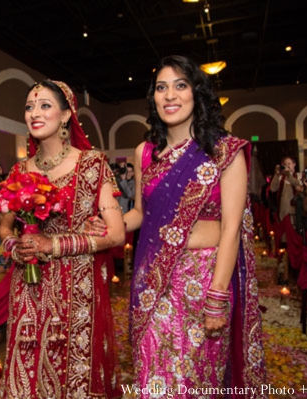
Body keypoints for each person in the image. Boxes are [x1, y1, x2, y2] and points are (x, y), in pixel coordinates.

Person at [89, 56, 266, 395]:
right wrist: (111, 224)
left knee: (197, 382)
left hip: (204, 281)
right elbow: (140, 212)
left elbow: (232, 229)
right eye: (161, 87)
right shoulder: (145, 153)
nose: (170, 95)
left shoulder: (224, 151)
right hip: (154, 281)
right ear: (153, 99)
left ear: (197, 94)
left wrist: (217, 295)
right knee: (155, 379)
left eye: (180, 85)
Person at [0, 80, 124, 398]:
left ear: (67, 115)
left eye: (44, 106)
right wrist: (18, 249)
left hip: (77, 287)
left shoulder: (92, 165)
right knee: (27, 369)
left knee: (72, 374)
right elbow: (3, 230)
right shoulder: (18, 171)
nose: (34, 114)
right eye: (29, 107)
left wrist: (53, 244)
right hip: (29, 288)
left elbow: (116, 232)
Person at [269, 155, 303, 225]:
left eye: (289, 164)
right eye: (285, 164)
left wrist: (289, 176)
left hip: (296, 211)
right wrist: (276, 174)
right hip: (283, 211)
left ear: (294, 164)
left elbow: (299, 186)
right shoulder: (281, 177)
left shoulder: (299, 176)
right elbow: (273, 188)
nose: (287, 166)